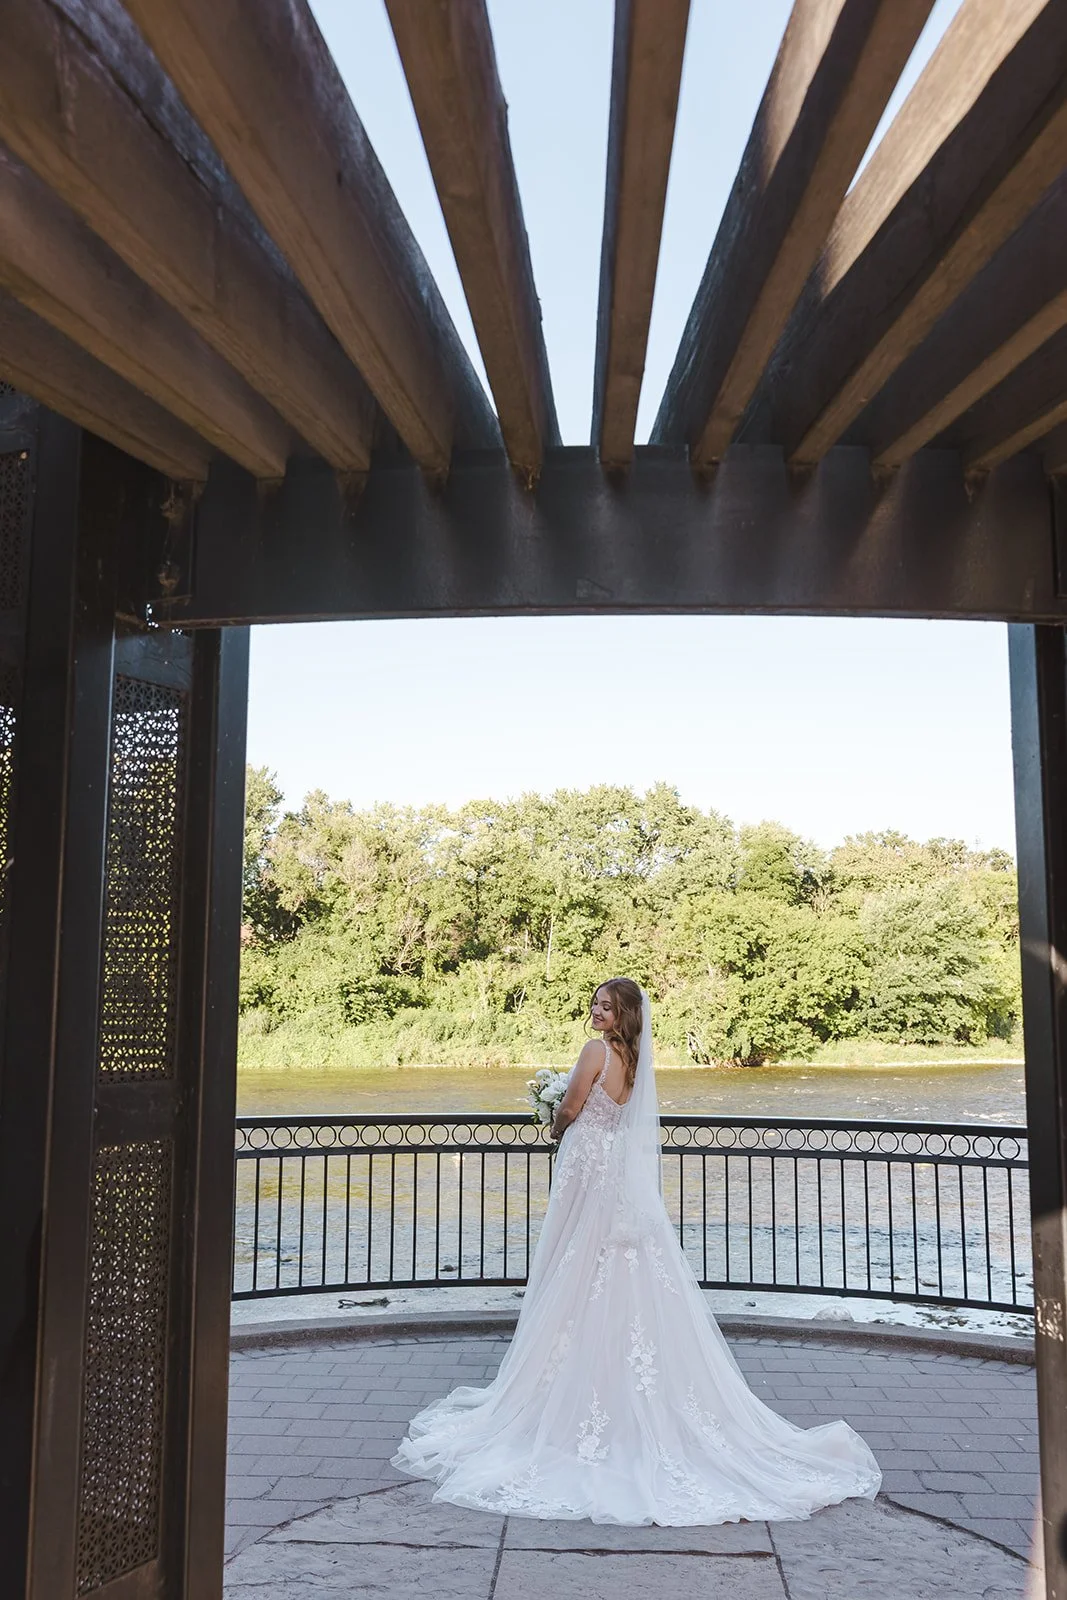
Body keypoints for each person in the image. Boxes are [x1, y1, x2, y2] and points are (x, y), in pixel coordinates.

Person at [392, 977, 880, 1525]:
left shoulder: (595, 1051)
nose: (596, 1012)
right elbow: (616, 1113)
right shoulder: (634, 1056)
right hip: (615, 1172)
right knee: (611, 1263)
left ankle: (567, 1395)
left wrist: (552, 1116)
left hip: (586, 1168)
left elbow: (573, 1106)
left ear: (621, 1014)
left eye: (606, 1006)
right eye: (595, 1004)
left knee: (574, 1260)